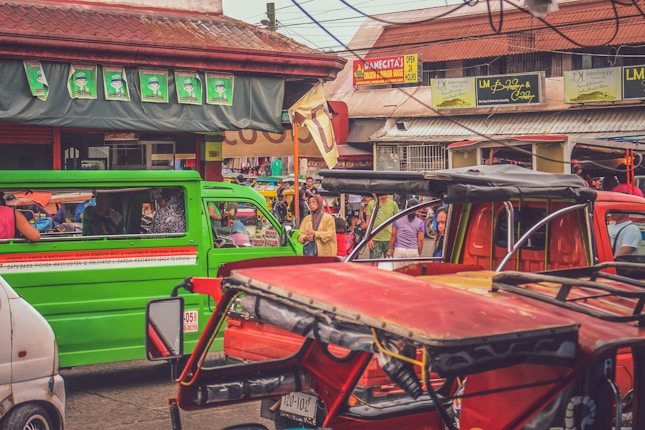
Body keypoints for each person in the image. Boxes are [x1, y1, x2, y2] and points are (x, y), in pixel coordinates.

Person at [387, 198, 425, 269]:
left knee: (398, 275)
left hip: (399, 251)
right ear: (417, 210)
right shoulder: (420, 223)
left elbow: (393, 235)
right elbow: (421, 240)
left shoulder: (397, 219)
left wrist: (390, 249)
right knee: (412, 275)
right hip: (413, 251)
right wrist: (419, 253)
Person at [365, 194, 399, 259]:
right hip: (375, 239)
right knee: (374, 265)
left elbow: (397, 223)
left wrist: (396, 240)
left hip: (389, 240)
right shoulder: (371, 204)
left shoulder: (393, 204)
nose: (383, 194)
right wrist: (369, 239)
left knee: (390, 265)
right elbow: (368, 222)